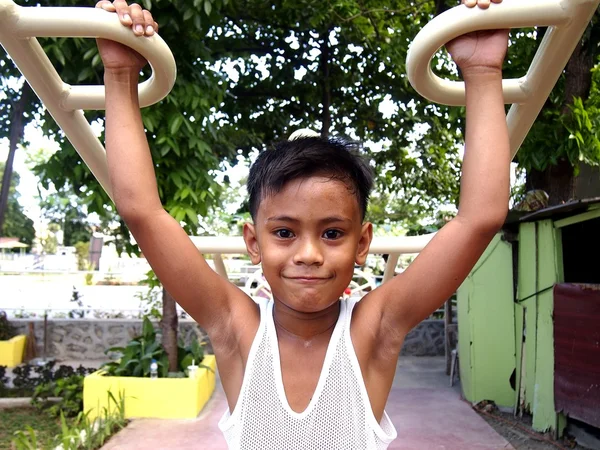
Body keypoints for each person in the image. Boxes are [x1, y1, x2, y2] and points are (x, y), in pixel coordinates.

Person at [95, 0, 509, 447]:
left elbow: (479, 219)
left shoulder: (372, 330)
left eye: (332, 233)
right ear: (253, 242)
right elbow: (141, 210)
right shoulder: (238, 330)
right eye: (285, 233)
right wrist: (120, 77)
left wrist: (483, 73)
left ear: (362, 241)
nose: (309, 254)